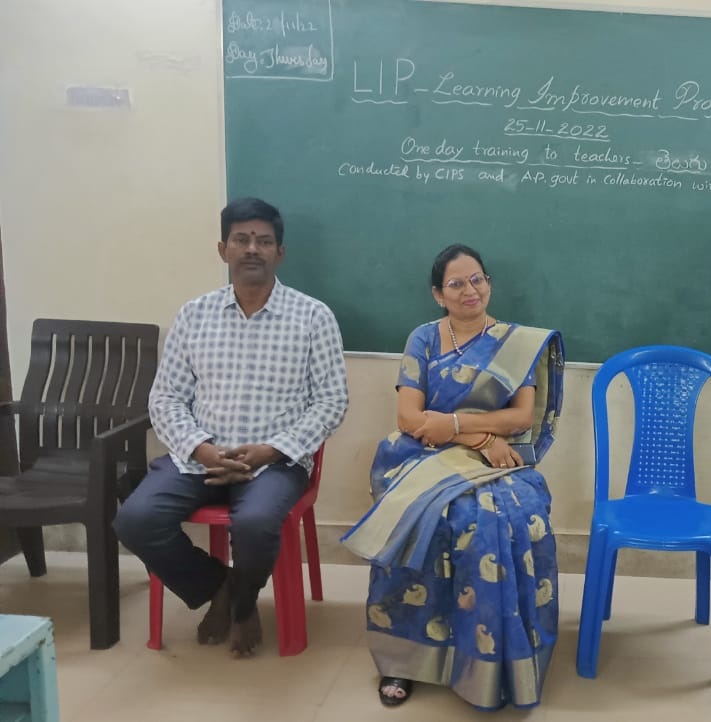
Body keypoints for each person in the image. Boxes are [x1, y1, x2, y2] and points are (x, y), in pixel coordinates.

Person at [114, 197, 349, 657]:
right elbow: (165, 397)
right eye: (241, 239)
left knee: (257, 522)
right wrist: (200, 448)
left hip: (273, 463)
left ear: (280, 252)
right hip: (199, 458)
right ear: (223, 250)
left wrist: (272, 450)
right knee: (135, 520)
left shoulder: (313, 317)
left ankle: (240, 606)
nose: (252, 249)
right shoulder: (194, 315)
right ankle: (221, 588)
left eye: (264, 241)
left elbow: (331, 401)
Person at [341, 244, 565, 711]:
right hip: (421, 454)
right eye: (457, 283)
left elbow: (521, 418)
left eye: (477, 279)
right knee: (425, 516)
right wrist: (478, 437)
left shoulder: (515, 344)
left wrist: (460, 428)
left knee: (504, 517)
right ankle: (403, 659)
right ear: (438, 294)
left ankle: (496, 660)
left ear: (489, 283)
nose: (470, 290)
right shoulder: (423, 339)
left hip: (498, 459)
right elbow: (410, 418)